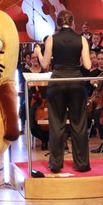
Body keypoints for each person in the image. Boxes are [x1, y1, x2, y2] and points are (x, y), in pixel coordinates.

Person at [34, 10, 92, 173]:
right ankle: (81, 164)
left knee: (57, 124)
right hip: (75, 83)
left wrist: (38, 53)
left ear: (58, 23)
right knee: (79, 124)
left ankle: (55, 164)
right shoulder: (81, 39)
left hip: (57, 82)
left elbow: (45, 65)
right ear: (72, 22)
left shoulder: (52, 39)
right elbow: (87, 66)